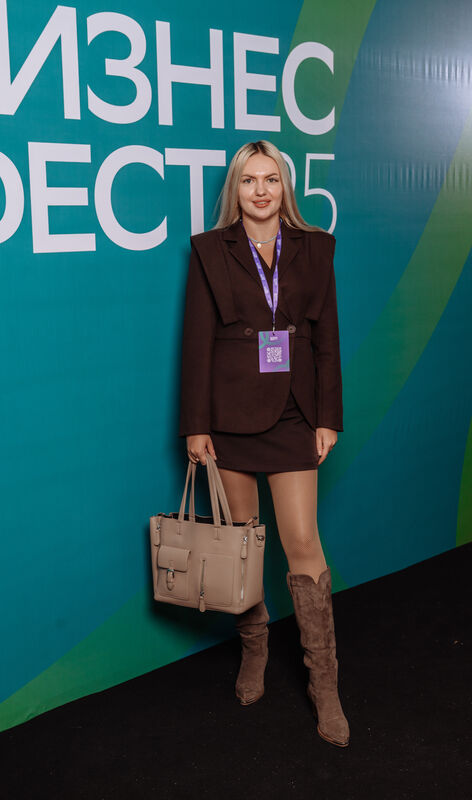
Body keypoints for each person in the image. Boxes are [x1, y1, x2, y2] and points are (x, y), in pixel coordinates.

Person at [178, 140, 349, 747]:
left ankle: (324, 684)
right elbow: (196, 341)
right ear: (237, 188)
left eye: (270, 179)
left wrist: (328, 417)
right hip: (228, 416)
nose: (260, 190)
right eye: (249, 180)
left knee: (302, 543)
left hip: (295, 412)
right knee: (244, 544)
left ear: (284, 187)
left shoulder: (316, 247)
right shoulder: (210, 249)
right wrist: (195, 425)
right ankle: (255, 649)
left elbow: (326, 337)